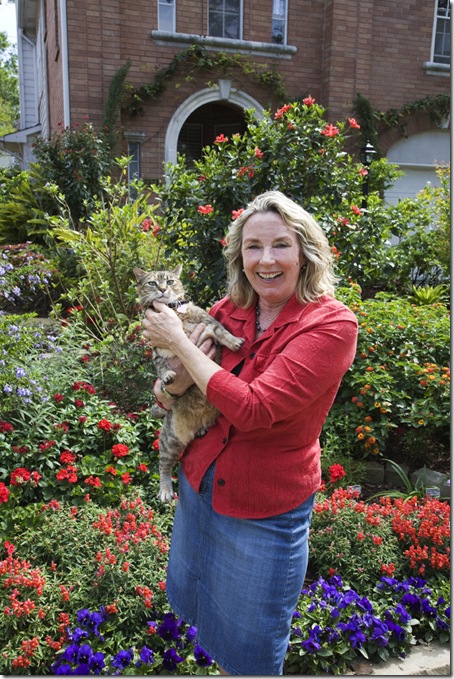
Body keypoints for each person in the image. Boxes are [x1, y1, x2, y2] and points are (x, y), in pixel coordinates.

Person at [141, 190, 358, 675]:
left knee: (252, 645)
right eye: (253, 247)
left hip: (263, 508)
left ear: (306, 252)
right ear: (240, 255)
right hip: (200, 488)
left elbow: (256, 409)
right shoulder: (231, 309)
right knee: (202, 611)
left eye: (280, 245)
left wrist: (178, 341)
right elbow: (167, 393)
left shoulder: (330, 326)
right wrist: (172, 376)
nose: (265, 260)